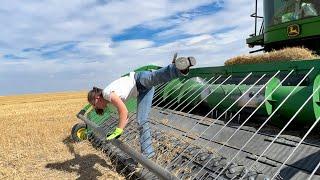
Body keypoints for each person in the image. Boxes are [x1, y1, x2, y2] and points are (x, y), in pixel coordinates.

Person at [87, 54, 196, 158]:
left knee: (154, 77)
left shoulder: (107, 93)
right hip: (142, 91)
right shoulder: (109, 101)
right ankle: (148, 153)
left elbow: (123, 111)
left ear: (97, 98)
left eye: (94, 105)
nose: (97, 108)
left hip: (139, 79)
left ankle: (179, 67)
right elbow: (126, 116)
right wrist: (119, 131)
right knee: (141, 121)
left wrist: (118, 130)